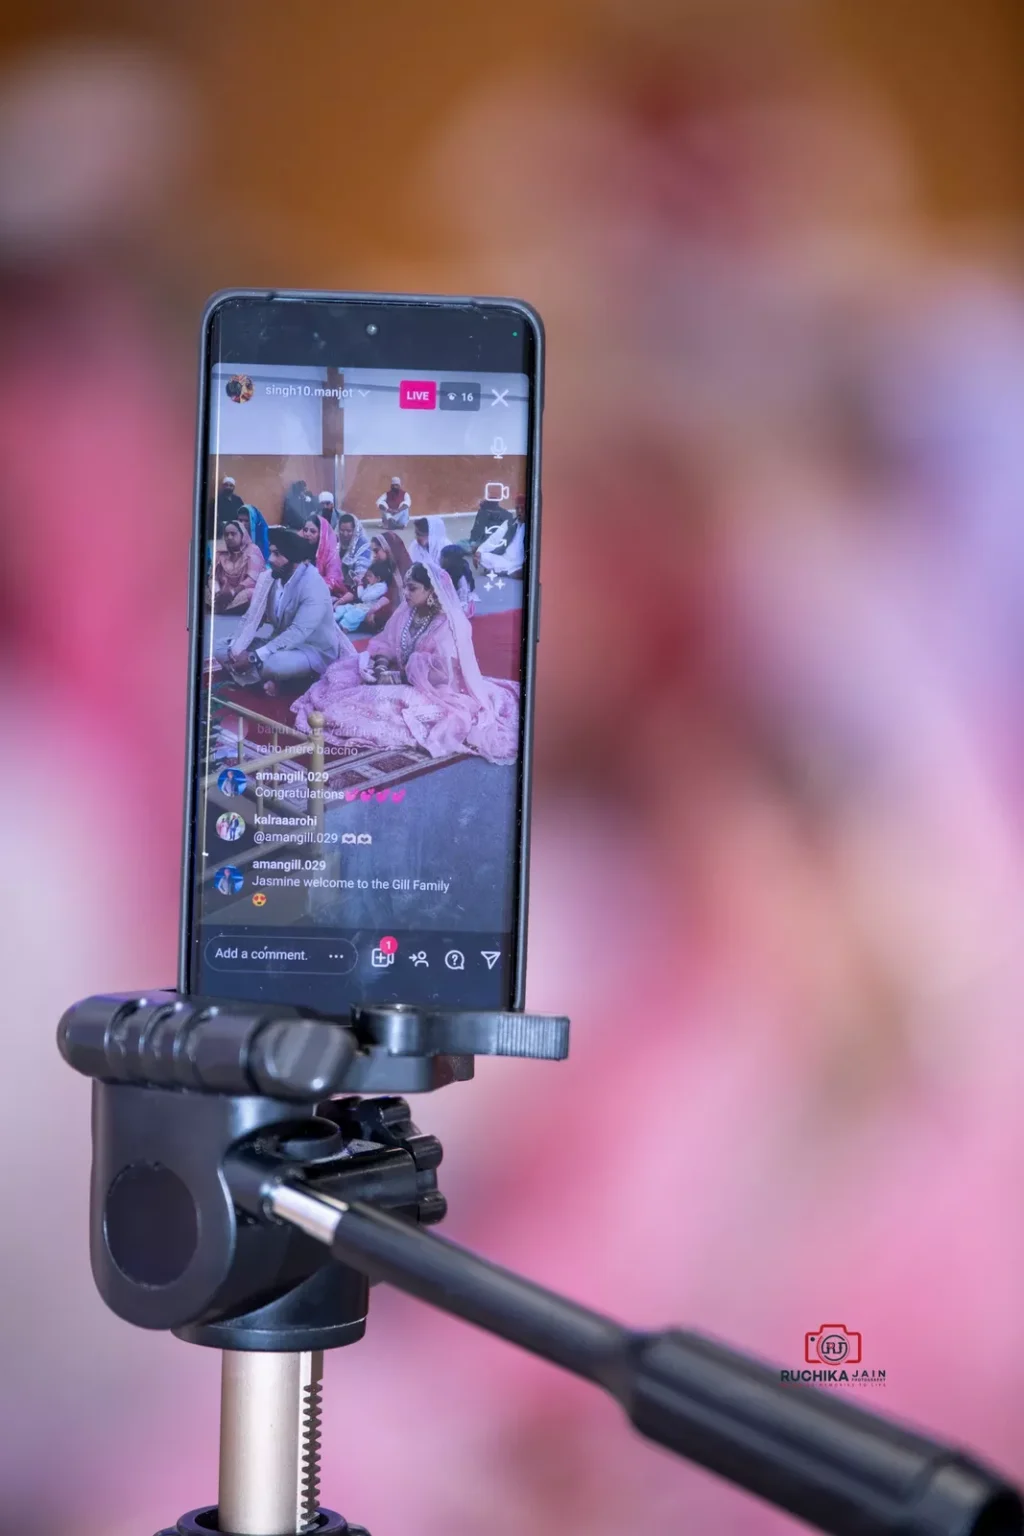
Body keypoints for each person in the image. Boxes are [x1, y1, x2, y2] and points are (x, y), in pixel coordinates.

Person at [292, 562, 519, 763]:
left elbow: (441, 674)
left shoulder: (448, 625)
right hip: (401, 675)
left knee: (381, 703)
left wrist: (395, 677)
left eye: (413, 588)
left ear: (431, 591)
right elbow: (386, 643)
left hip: (435, 689)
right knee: (346, 677)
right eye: (405, 587)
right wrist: (381, 665)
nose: (406, 593)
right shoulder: (408, 612)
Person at [216, 525, 341, 696]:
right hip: (279, 643)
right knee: (221, 647)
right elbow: (251, 618)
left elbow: (298, 632)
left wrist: (253, 657)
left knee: (273, 664)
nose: (271, 559)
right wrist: (237, 649)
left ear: (294, 559)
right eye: (271, 552)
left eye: (277, 554)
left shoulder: (314, 584)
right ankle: (275, 681)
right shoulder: (271, 578)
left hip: (311, 650)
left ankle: (295, 681)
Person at [213, 518, 266, 612]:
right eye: (226, 534)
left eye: (233, 534)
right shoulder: (220, 553)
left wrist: (233, 592)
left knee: (251, 594)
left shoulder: (253, 550)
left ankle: (222, 607)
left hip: (242, 590)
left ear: (242, 534)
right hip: (223, 592)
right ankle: (221, 604)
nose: (229, 537)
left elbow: (253, 579)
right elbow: (213, 577)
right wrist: (217, 592)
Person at [475, 493, 525, 576]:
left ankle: (504, 571)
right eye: (517, 508)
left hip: (520, 563)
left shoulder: (532, 527)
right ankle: (509, 571)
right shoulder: (509, 523)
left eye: (522, 508)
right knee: (483, 557)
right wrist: (479, 551)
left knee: (522, 567)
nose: (519, 511)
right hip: (504, 559)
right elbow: (494, 539)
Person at [299, 513, 347, 598]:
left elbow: (334, 581)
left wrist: (309, 585)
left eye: (313, 531)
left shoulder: (331, 554)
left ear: (321, 534)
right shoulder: (301, 548)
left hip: (326, 595)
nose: (307, 534)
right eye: (305, 530)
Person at [335, 511, 373, 591]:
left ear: (355, 530)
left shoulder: (363, 545)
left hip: (356, 587)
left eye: (349, 531)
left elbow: (361, 574)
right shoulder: (335, 540)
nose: (345, 534)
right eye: (342, 530)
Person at [440, 543, 476, 617]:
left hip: (462, 608)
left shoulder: (461, 579)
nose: (440, 559)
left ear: (450, 560)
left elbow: (463, 600)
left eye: (442, 557)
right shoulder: (448, 572)